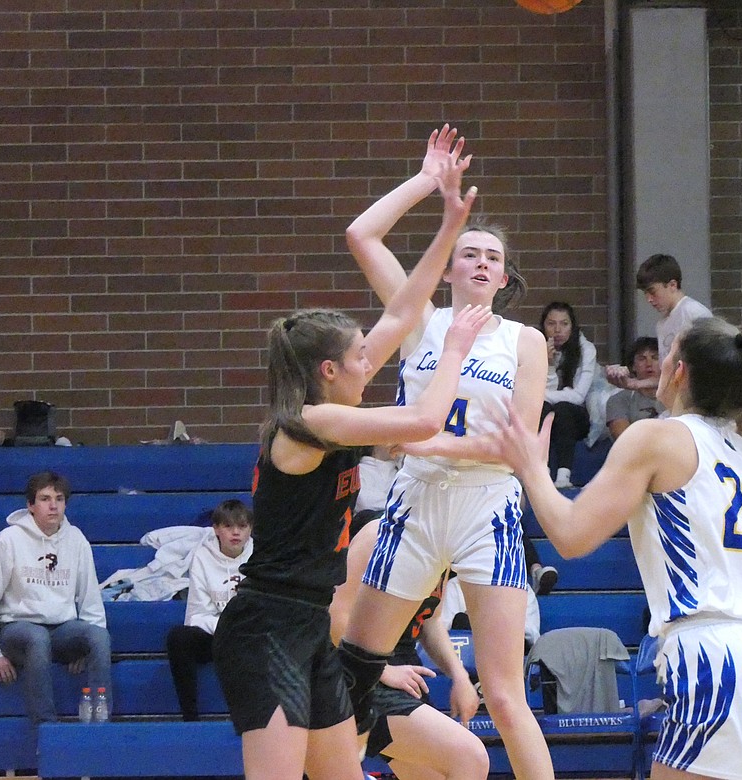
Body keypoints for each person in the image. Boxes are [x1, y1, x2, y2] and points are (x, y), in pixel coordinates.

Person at [210, 124, 489, 780]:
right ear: (331, 372)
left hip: (310, 627)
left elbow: (403, 306)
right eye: (361, 352)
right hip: (267, 627)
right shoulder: (312, 421)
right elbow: (424, 419)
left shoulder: (335, 411)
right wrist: (452, 350)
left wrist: (442, 208)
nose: (376, 353)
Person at [498, 317, 742, 780]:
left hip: (715, 655)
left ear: (680, 370)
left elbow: (570, 536)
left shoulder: (657, 437)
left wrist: (532, 468)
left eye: (667, 354)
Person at [339, 131, 553, 780]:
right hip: (417, 501)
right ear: (450, 266)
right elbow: (361, 236)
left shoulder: (524, 341)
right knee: (353, 670)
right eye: (470, 253)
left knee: (507, 696)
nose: (483, 262)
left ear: (505, 276)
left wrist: (421, 437)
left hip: (487, 508)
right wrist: (429, 182)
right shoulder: (419, 320)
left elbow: (515, 445)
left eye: (494, 257)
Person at [329, 520, 488, 780]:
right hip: (359, 673)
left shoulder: (444, 543)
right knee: (471, 758)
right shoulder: (378, 535)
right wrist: (380, 669)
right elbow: (335, 614)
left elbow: (430, 621)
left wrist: (459, 676)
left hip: (404, 676)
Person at [0, 470, 111, 725]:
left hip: (62, 630)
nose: (53, 506)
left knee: (98, 636)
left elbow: (90, 597)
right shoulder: (7, 541)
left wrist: (85, 651)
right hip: (17, 631)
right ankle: (47, 729)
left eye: (59, 499)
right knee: (37, 638)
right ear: (30, 505)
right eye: (45, 499)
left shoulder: (77, 540)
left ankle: (99, 726)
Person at [165, 499, 253, 721]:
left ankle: (260, 720)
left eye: (242, 527)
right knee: (179, 638)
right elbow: (196, 615)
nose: (236, 533)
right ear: (215, 529)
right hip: (217, 635)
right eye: (228, 526)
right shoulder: (202, 557)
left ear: (250, 530)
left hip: (251, 635)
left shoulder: (261, 557)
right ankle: (190, 718)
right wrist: (226, 628)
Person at [605, 253, 711, 392]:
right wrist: (633, 384)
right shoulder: (662, 324)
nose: (648, 299)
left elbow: (709, 366)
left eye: (652, 291)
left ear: (672, 285)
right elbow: (666, 376)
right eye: (645, 293)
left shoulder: (694, 313)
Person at [539, 301, 597, 489]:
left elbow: (579, 396)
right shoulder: (535, 346)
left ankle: (564, 475)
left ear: (573, 326)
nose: (557, 330)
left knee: (562, 409)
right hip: (546, 413)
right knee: (543, 408)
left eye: (564, 324)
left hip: (575, 417)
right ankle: (542, 471)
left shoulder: (586, 349)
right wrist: (548, 365)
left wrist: (542, 396)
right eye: (551, 324)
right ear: (543, 326)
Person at [605, 336, 663, 440]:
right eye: (642, 359)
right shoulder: (618, 400)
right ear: (633, 366)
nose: (649, 364)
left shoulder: (676, 396)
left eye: (655, 358)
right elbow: (623, 440)